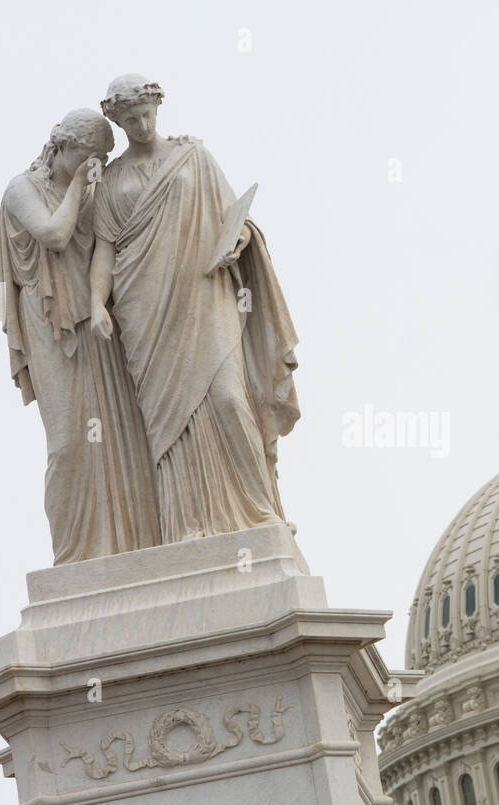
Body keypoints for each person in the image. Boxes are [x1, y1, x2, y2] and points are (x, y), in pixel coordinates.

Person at [90, 74, 300, 542]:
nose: (142, 125)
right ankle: (187, 526)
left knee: (228, 397)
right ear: (118, 122)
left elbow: (235, 218)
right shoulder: (112, 180)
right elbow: (104, 247)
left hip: (205, 292)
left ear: (158, 110)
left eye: (147, 114)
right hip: (144, 309)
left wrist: (239, 241)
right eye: (131, 119)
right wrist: (96, 303)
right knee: (169, 421)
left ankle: (259, 510)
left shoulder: (194, 158)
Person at [0, 108, 161, 564]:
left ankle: (130, 546)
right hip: (50, 322)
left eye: (104, 160)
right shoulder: (21, 189)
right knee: (69, 442)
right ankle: (74, 556)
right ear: (62, 147)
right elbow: (54, 235)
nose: (99, 168)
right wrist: (78, 187)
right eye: (91, 157)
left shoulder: (92, 190)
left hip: (94, 320)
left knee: (118, 432)